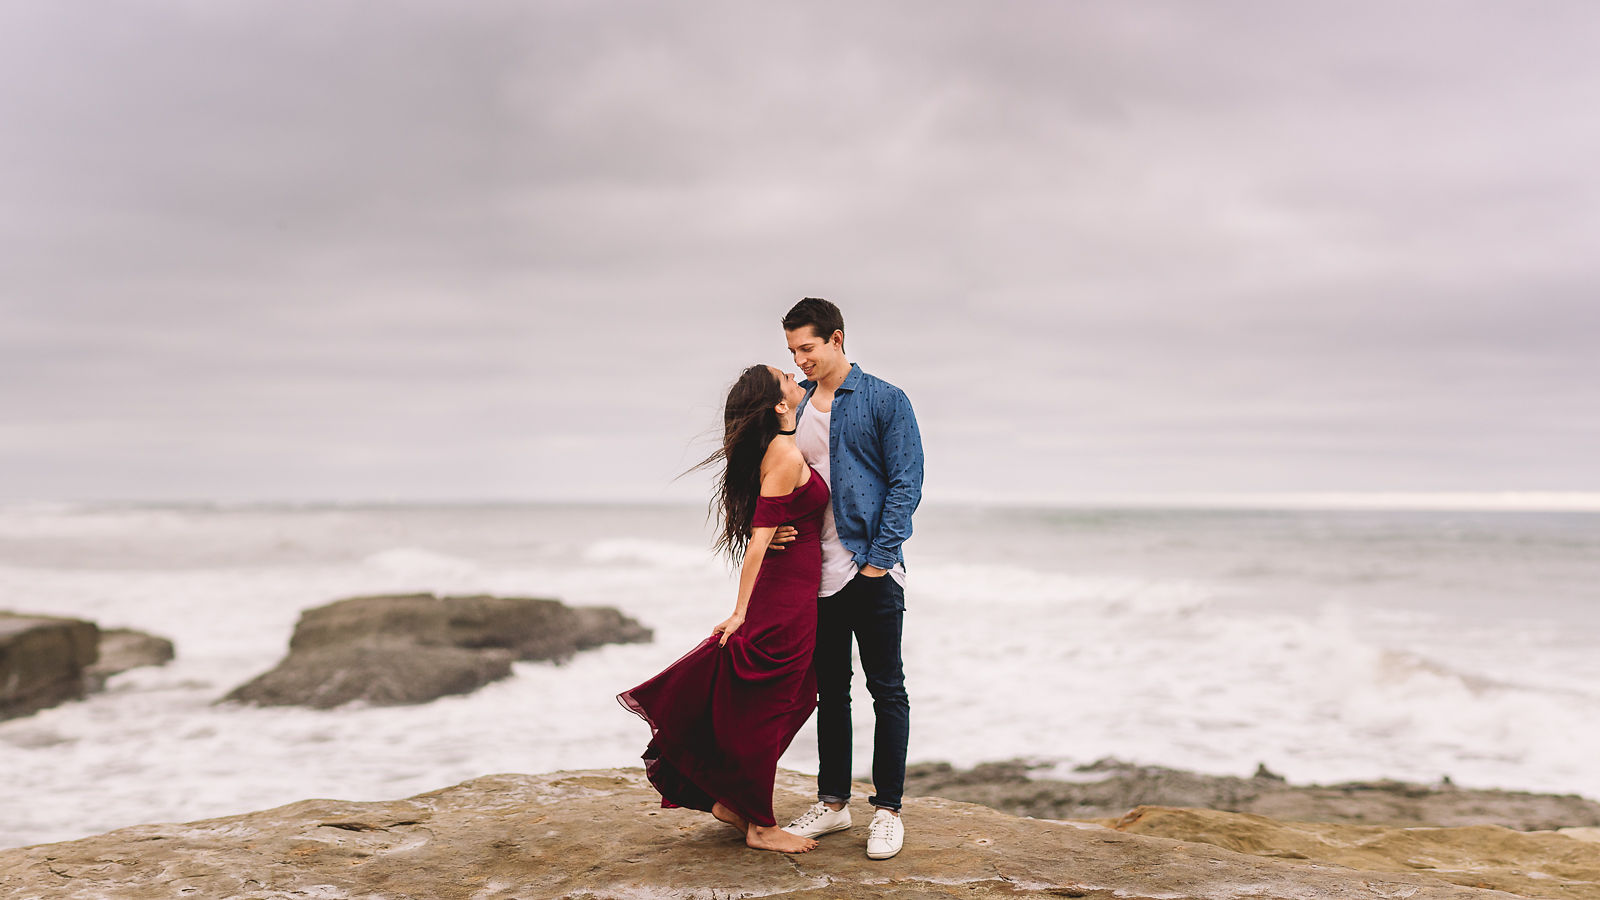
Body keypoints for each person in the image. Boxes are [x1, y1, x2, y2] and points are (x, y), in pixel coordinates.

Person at [617, 364, 828, 854]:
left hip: (797, 591)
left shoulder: (782, 447)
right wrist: (739, 612)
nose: (798, 380)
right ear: (779, 404)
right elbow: (758, 540)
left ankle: (734, 801)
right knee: (770, 703)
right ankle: (760, 824)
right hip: (782, 598)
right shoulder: (783, 451)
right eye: (788, 380)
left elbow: (772, 522)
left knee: (799, 696)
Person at [775, 298, 924, 860]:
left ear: (837, 339)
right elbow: (783, 480)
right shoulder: (796, 407)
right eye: (792, 351)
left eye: (806, 348)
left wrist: (878, 562)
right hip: (815, 572)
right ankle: (833, 804)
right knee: (830, 693)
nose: (800, 360)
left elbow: (906, 482)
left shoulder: (886, 400)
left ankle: (887, 812)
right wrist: (783, 533)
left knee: (887, 689)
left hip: (872, 570)